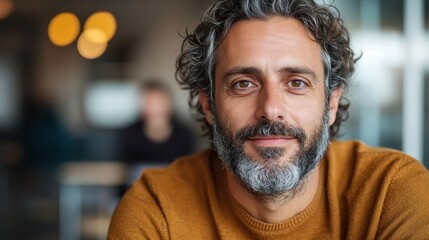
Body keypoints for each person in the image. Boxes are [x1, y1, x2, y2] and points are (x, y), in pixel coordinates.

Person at [108, 0, 429, 239]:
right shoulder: (155, 211)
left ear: (331, 103)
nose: (270, 108)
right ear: (208, 105)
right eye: (243, 84)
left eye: (296, 83)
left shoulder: (392, 194)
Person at [117, 80, 196, 177]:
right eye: (149, 102)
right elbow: (122, 171)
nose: (154, 107)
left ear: (168, 105)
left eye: (157, 102)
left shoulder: (183, 135)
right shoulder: (129, 134)